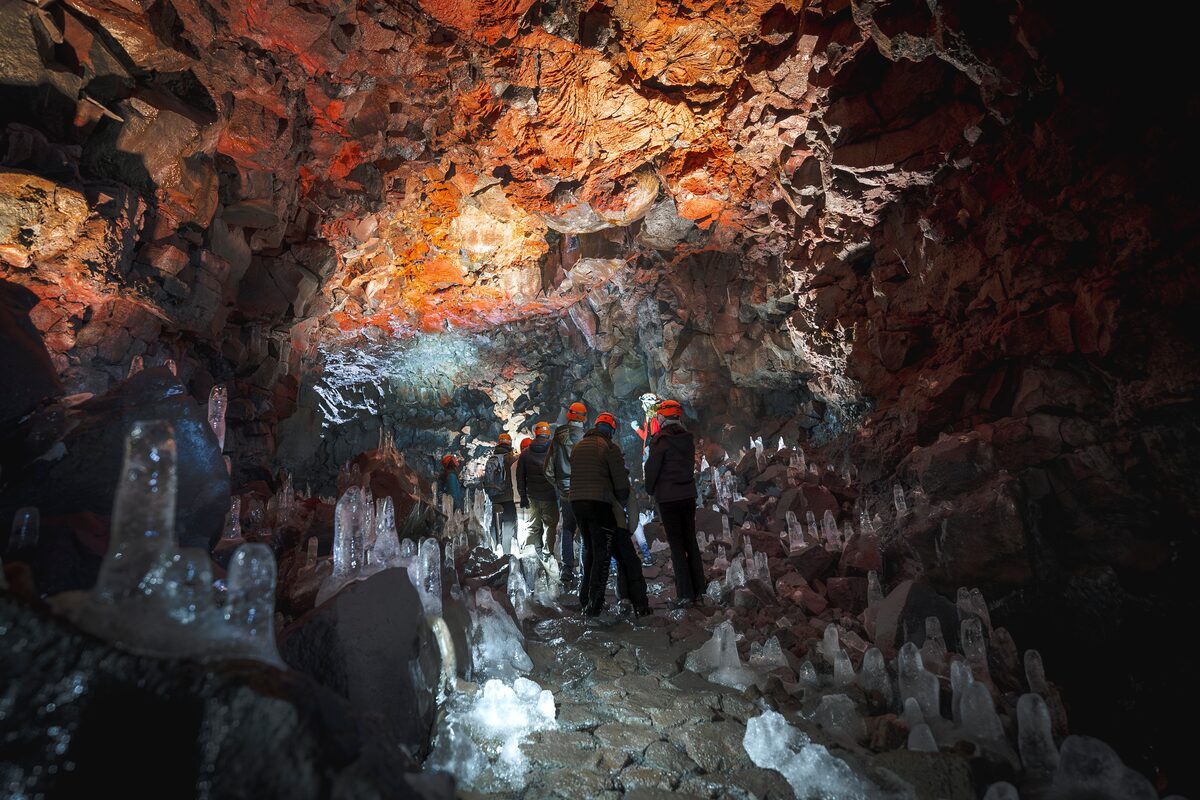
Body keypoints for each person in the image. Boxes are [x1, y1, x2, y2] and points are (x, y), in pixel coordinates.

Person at [569, 411, 650, 618]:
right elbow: (622, 486)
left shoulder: (578, 447)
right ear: (612, 430)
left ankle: (585, 599)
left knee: (590, 551)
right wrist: (620, 500)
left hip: (577, 504)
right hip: (600, 505)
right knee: (603, 556)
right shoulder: (609, 447)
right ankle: (595, 607)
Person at [644, 399, 703, 607]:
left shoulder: (660, 440)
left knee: (677, 546)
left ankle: (685, 594)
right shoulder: (687, 438)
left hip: (668, 498)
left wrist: (649, 489)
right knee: (691, 541)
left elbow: (652, 469)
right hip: (688, 495)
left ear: (662, 417)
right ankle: (700, 589)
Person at [544, 401, 587, 587]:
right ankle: (586, 568)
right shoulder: (587, 439)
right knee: (586, 530)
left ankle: (567, 569)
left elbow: (548, 470)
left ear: (569, 416)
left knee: (568, 529)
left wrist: (560, 485)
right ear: (584, 418)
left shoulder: (558, 438)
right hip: (584, 492)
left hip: (565, 493)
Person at [517, 421, 559, 565]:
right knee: (550, 525)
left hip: (533, 496)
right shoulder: (554, 451)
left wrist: (523, 495)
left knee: (533, 526)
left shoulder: (525, 453)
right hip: (550, 496)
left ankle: (533, 555)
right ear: (548, 433)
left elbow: (520, 476)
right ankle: (548, 554)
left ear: (536, 433)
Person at [483, 432, 519, 554]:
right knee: (508, 525)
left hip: (494, 497)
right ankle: (507, 554)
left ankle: (494, 551)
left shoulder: (491, 459)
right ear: (509, 444)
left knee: (494, 524)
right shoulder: (510, 459)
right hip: (508, 497)